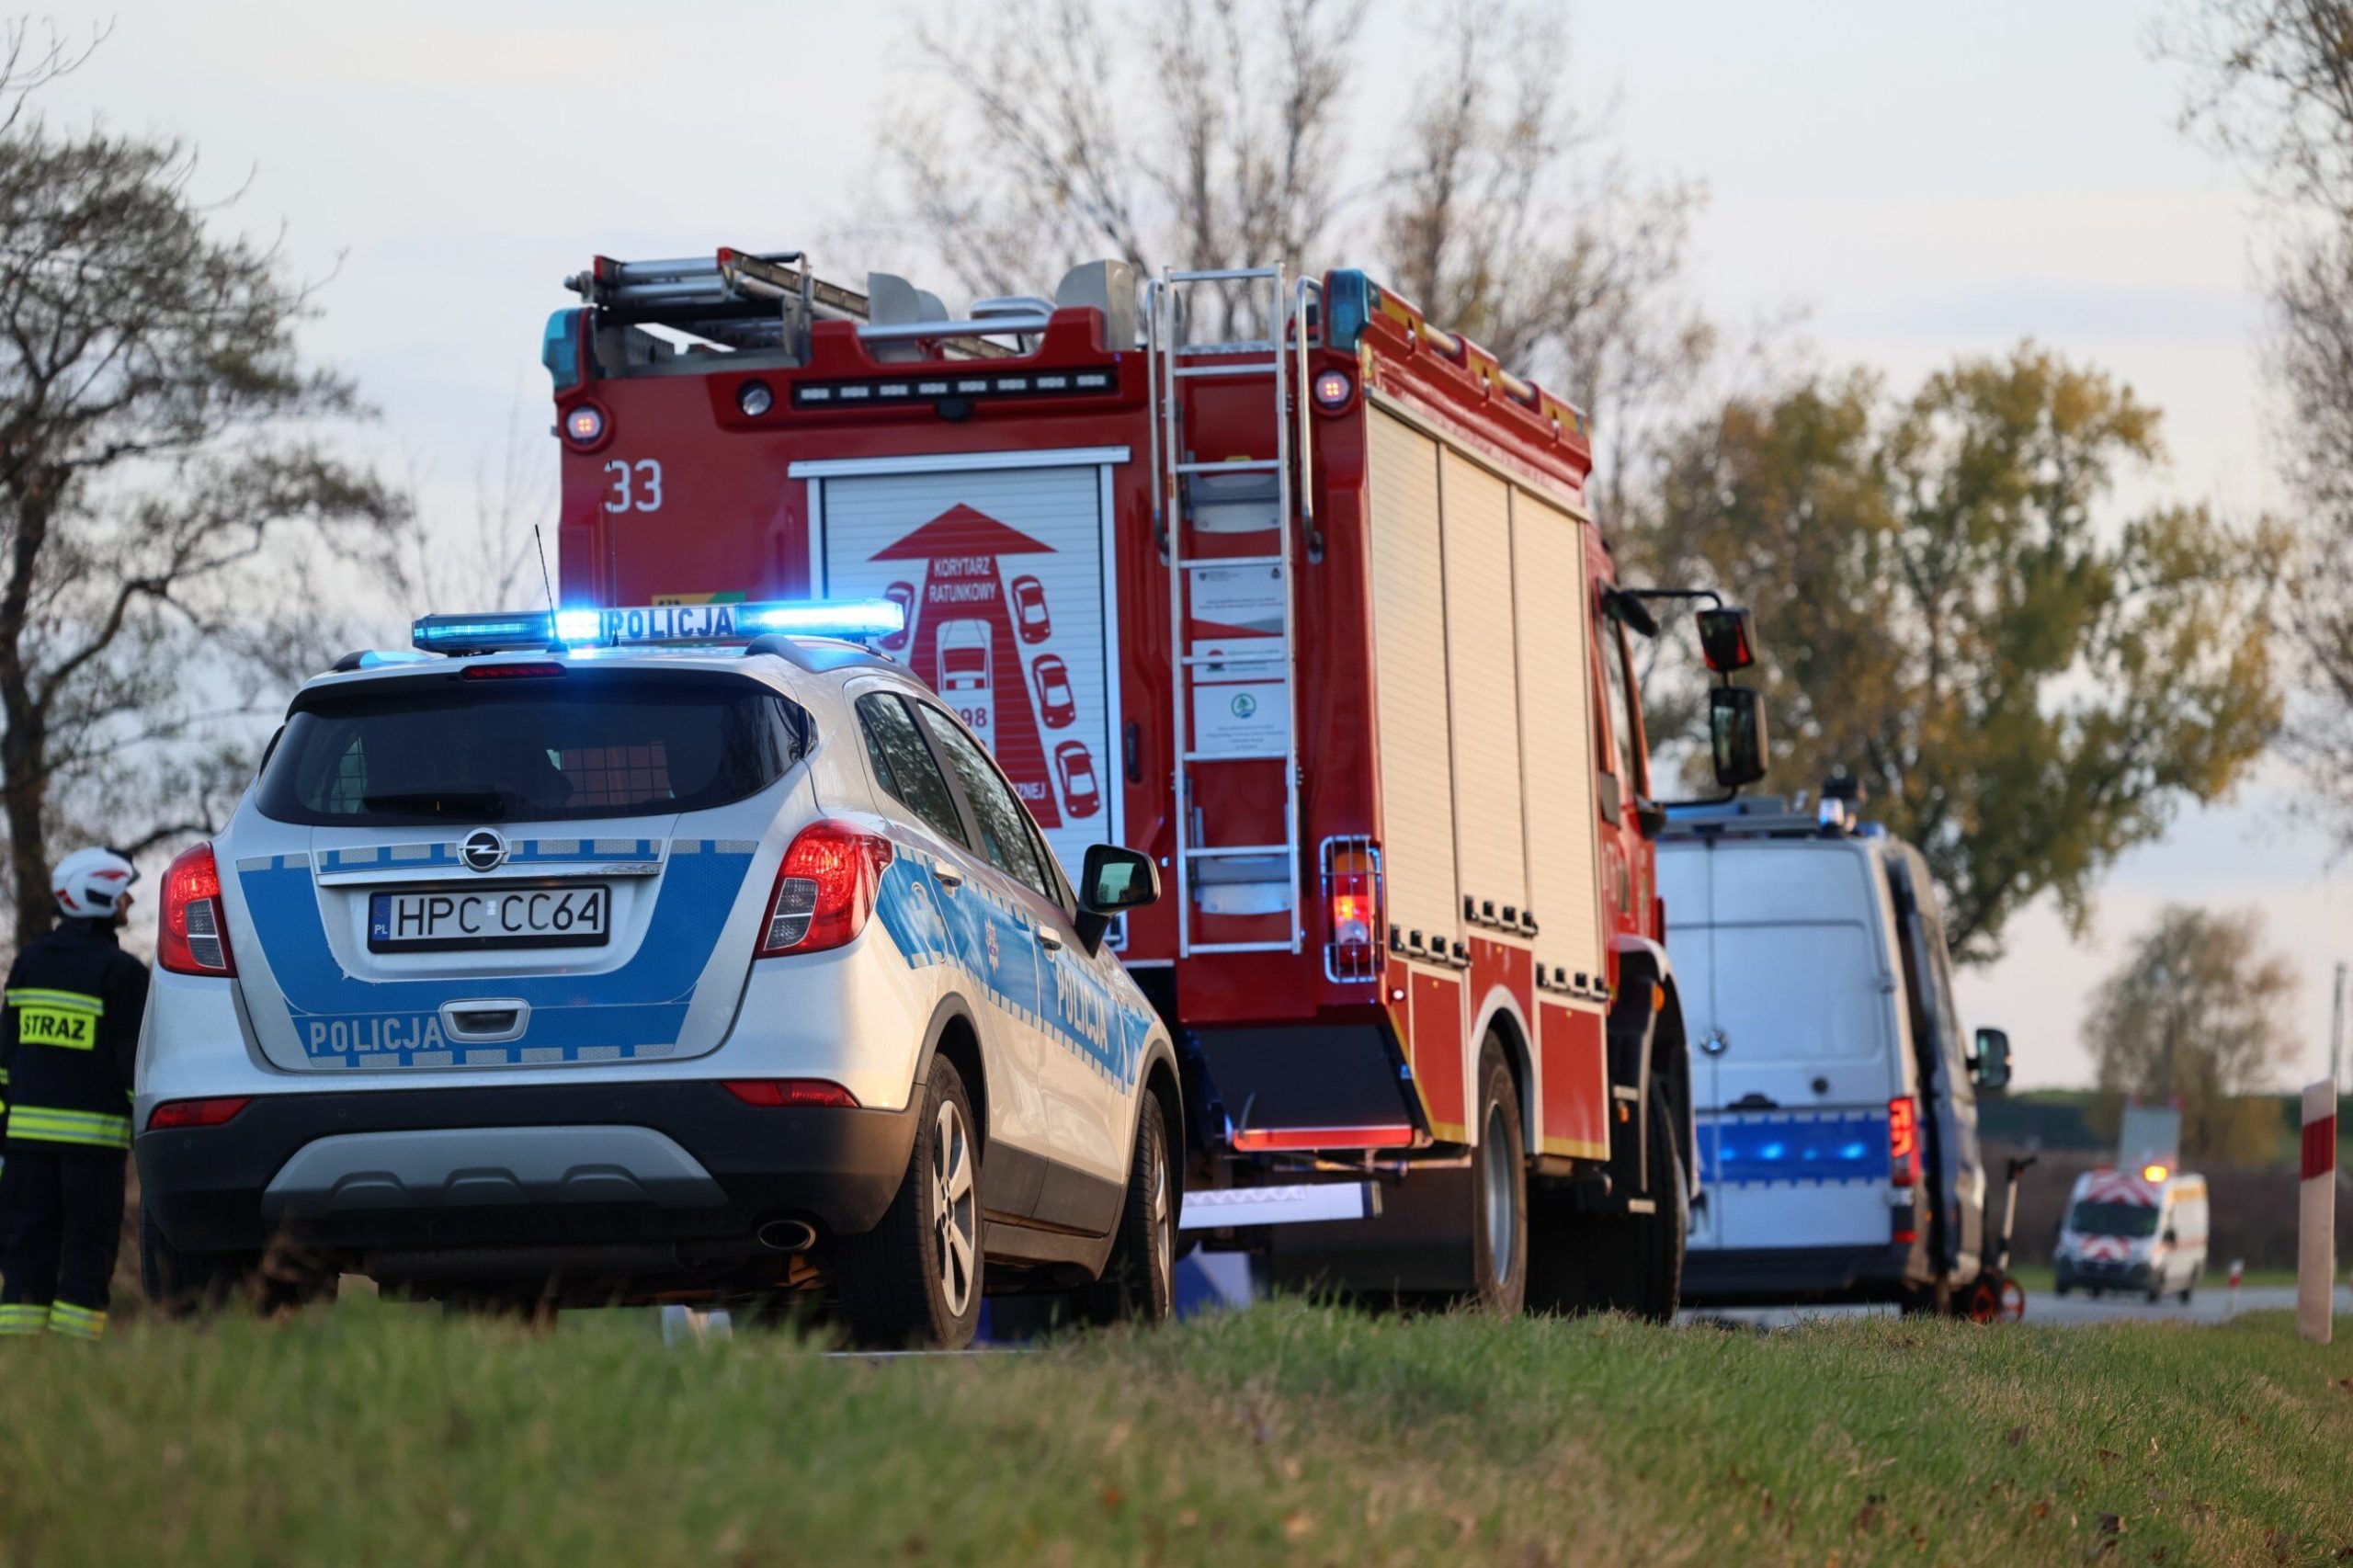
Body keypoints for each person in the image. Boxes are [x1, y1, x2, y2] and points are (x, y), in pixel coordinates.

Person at [0, 847, 149, 1339]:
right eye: (123, 892)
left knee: (25, 1252)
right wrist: (146, 1131)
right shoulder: (123, 974)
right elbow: (136, 1069)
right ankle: (74, 1353)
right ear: (99, 896)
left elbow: (5, 1058)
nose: (129, 900)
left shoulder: (28, 963)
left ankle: (20, 1354)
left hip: (25, 1148)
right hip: (94, 1150)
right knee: (88, 1251)